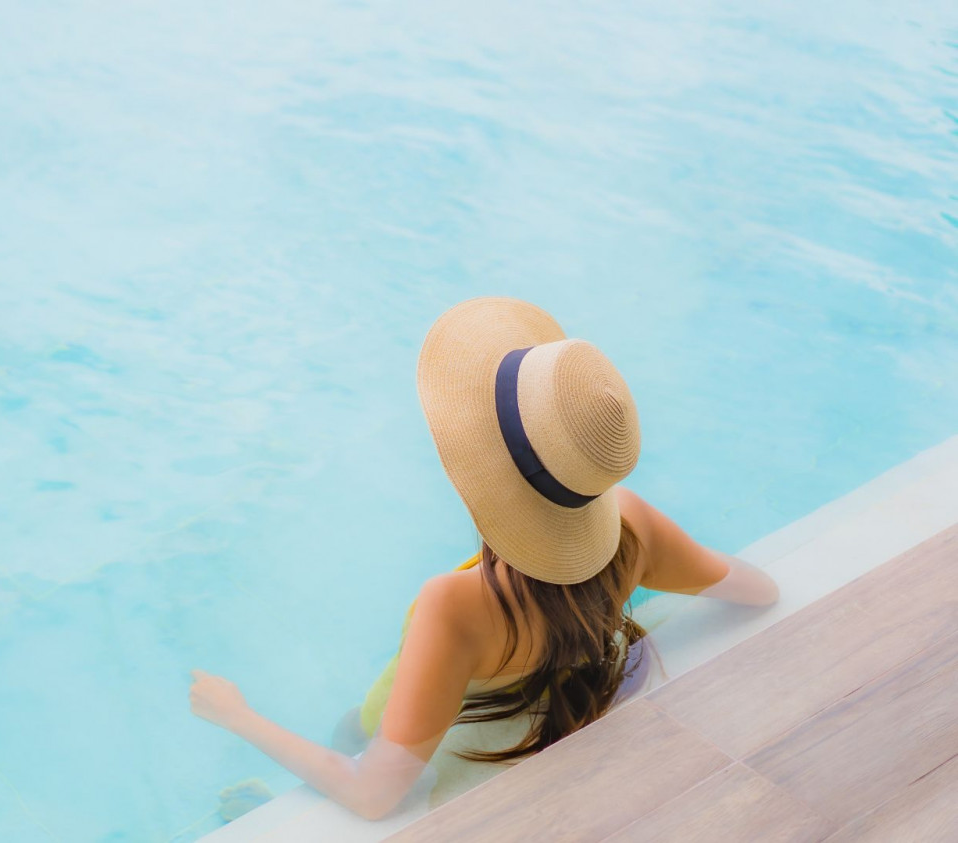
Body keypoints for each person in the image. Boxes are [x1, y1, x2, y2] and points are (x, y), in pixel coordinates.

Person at [187, 297, 779, 821]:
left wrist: (237, 715)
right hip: (528, 690)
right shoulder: (633, 527)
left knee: (346, 737)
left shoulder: (457, 604)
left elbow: (373, 795)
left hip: (394, 731)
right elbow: (759, 591)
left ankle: (270, 808)